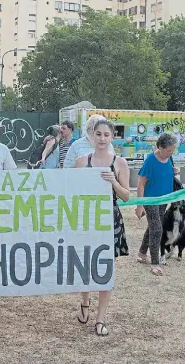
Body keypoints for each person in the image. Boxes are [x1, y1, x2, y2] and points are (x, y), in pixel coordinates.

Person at [74, 119, 130, 336]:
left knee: (106, 269)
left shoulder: (120, 163)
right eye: (98, 134)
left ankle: (100, 319)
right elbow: (70, 191)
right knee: (85, 265)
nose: (102, 139)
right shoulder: (81, 162)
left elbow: (126, 196)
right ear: (91, 136)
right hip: (86, 219)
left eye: (106, 135)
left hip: (110, 219)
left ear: (112, 137)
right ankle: (85, 304)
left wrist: (113, 182)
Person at [135, 133, 180, 276]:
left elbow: (164, 173)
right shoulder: (150, 161)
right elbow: (141, 184)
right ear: (160, 147)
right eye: (168, 151)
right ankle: (155, 263)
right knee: (157, 229)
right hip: (151, 200)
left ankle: (142, 253)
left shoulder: (169, 158)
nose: (171, 153)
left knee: (153, 226)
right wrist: (140, 205)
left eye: (173, 151)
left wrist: (173, 171)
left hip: (164, 200)